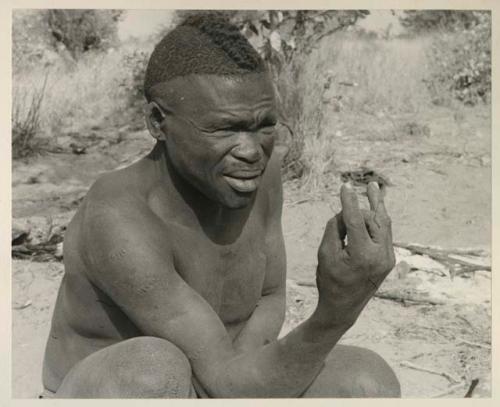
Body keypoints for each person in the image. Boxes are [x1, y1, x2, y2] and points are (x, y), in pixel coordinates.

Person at [41, 13, 401, 398]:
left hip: (223, 378)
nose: (251, 151)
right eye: (224, 129)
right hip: (125, 390)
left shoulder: (262, 174)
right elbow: (223, 382)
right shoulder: (118, 216)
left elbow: (269, 296)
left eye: (264, 125)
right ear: (158, 122)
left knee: (369, 382)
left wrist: (238, 372)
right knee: (154, 370)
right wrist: (337, 311)